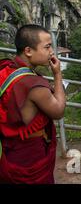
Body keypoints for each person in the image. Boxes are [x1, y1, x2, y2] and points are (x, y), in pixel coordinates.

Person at [0, 25, 66, 184]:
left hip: (9, 148)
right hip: (29, 153)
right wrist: (57, 74)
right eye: (47, 47)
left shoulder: (6, 69)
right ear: (28, 51)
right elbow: (58, 111)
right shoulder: (33, 85)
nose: (52, 52)